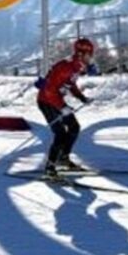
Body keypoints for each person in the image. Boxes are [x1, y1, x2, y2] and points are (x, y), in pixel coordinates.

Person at [37, 37, 94, 176]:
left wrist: (82, 98)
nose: (91, 57)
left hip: (56, 100)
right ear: (81, 54)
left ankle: (63, 158)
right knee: (60, 133)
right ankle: (50, 166)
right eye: (89, 54)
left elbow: (70, 84)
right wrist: (62, 107)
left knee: (74, 127)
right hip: (46, 101)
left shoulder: (77, 66)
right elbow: (49, 90)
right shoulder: (66, 67)